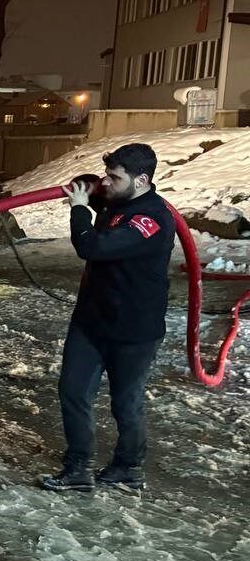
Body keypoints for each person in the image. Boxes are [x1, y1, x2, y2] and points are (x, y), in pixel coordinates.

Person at [40, 143, 175, 492]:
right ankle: (78, 468)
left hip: (133, 330)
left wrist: (79, 211)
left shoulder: (152, 219)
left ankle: (128, 467)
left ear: (142, 180)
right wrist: (86, 187)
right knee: (72, 391)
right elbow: (102, 198)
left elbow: (93, 247)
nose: (107, 182)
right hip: (91, 321)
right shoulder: (119, 202)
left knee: (125, 404)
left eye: (114, 177)